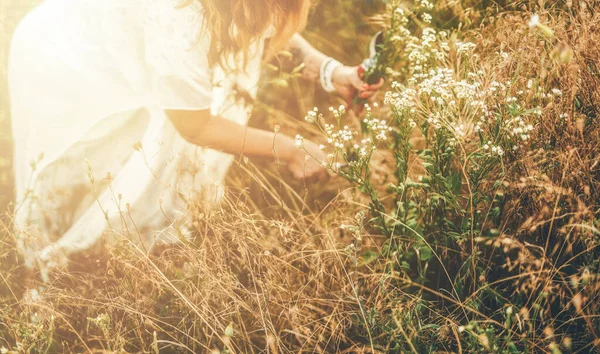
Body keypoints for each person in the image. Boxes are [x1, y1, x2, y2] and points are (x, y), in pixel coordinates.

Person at [8, 0, 382, 280]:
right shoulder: (181, 15)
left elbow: (263, 18)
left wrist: (331, 73)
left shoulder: (239, 6)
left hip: (125, 41)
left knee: (141, 156)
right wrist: (289, 149)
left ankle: (122, 253)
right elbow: (195, 127)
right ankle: (67, 275)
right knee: (95, 159)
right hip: (71, 61)